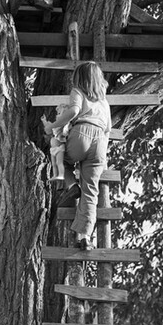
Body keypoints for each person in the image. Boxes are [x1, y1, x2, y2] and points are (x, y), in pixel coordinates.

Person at [41, 62, 111, 251]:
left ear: (79, 78)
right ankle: (85, 236)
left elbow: (74, 111)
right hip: (100, 143)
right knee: (91, 192)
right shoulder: (104, 102)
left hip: (82, 134)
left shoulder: (78, 92)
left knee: (59, 156)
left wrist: (52, 126)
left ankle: (71, 186)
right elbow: (108, 128)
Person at [41, 104, 71, 182]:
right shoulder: (56, 125)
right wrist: (44, 121)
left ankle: (61, 175)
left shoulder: (64, 125)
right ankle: (55, 175)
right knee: (53, 163)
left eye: (59, 113)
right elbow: (49, 127)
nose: (57, 115)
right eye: (57, 113)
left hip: (59, 148)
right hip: (53, 148)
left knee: (59, 162)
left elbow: (65, 131)